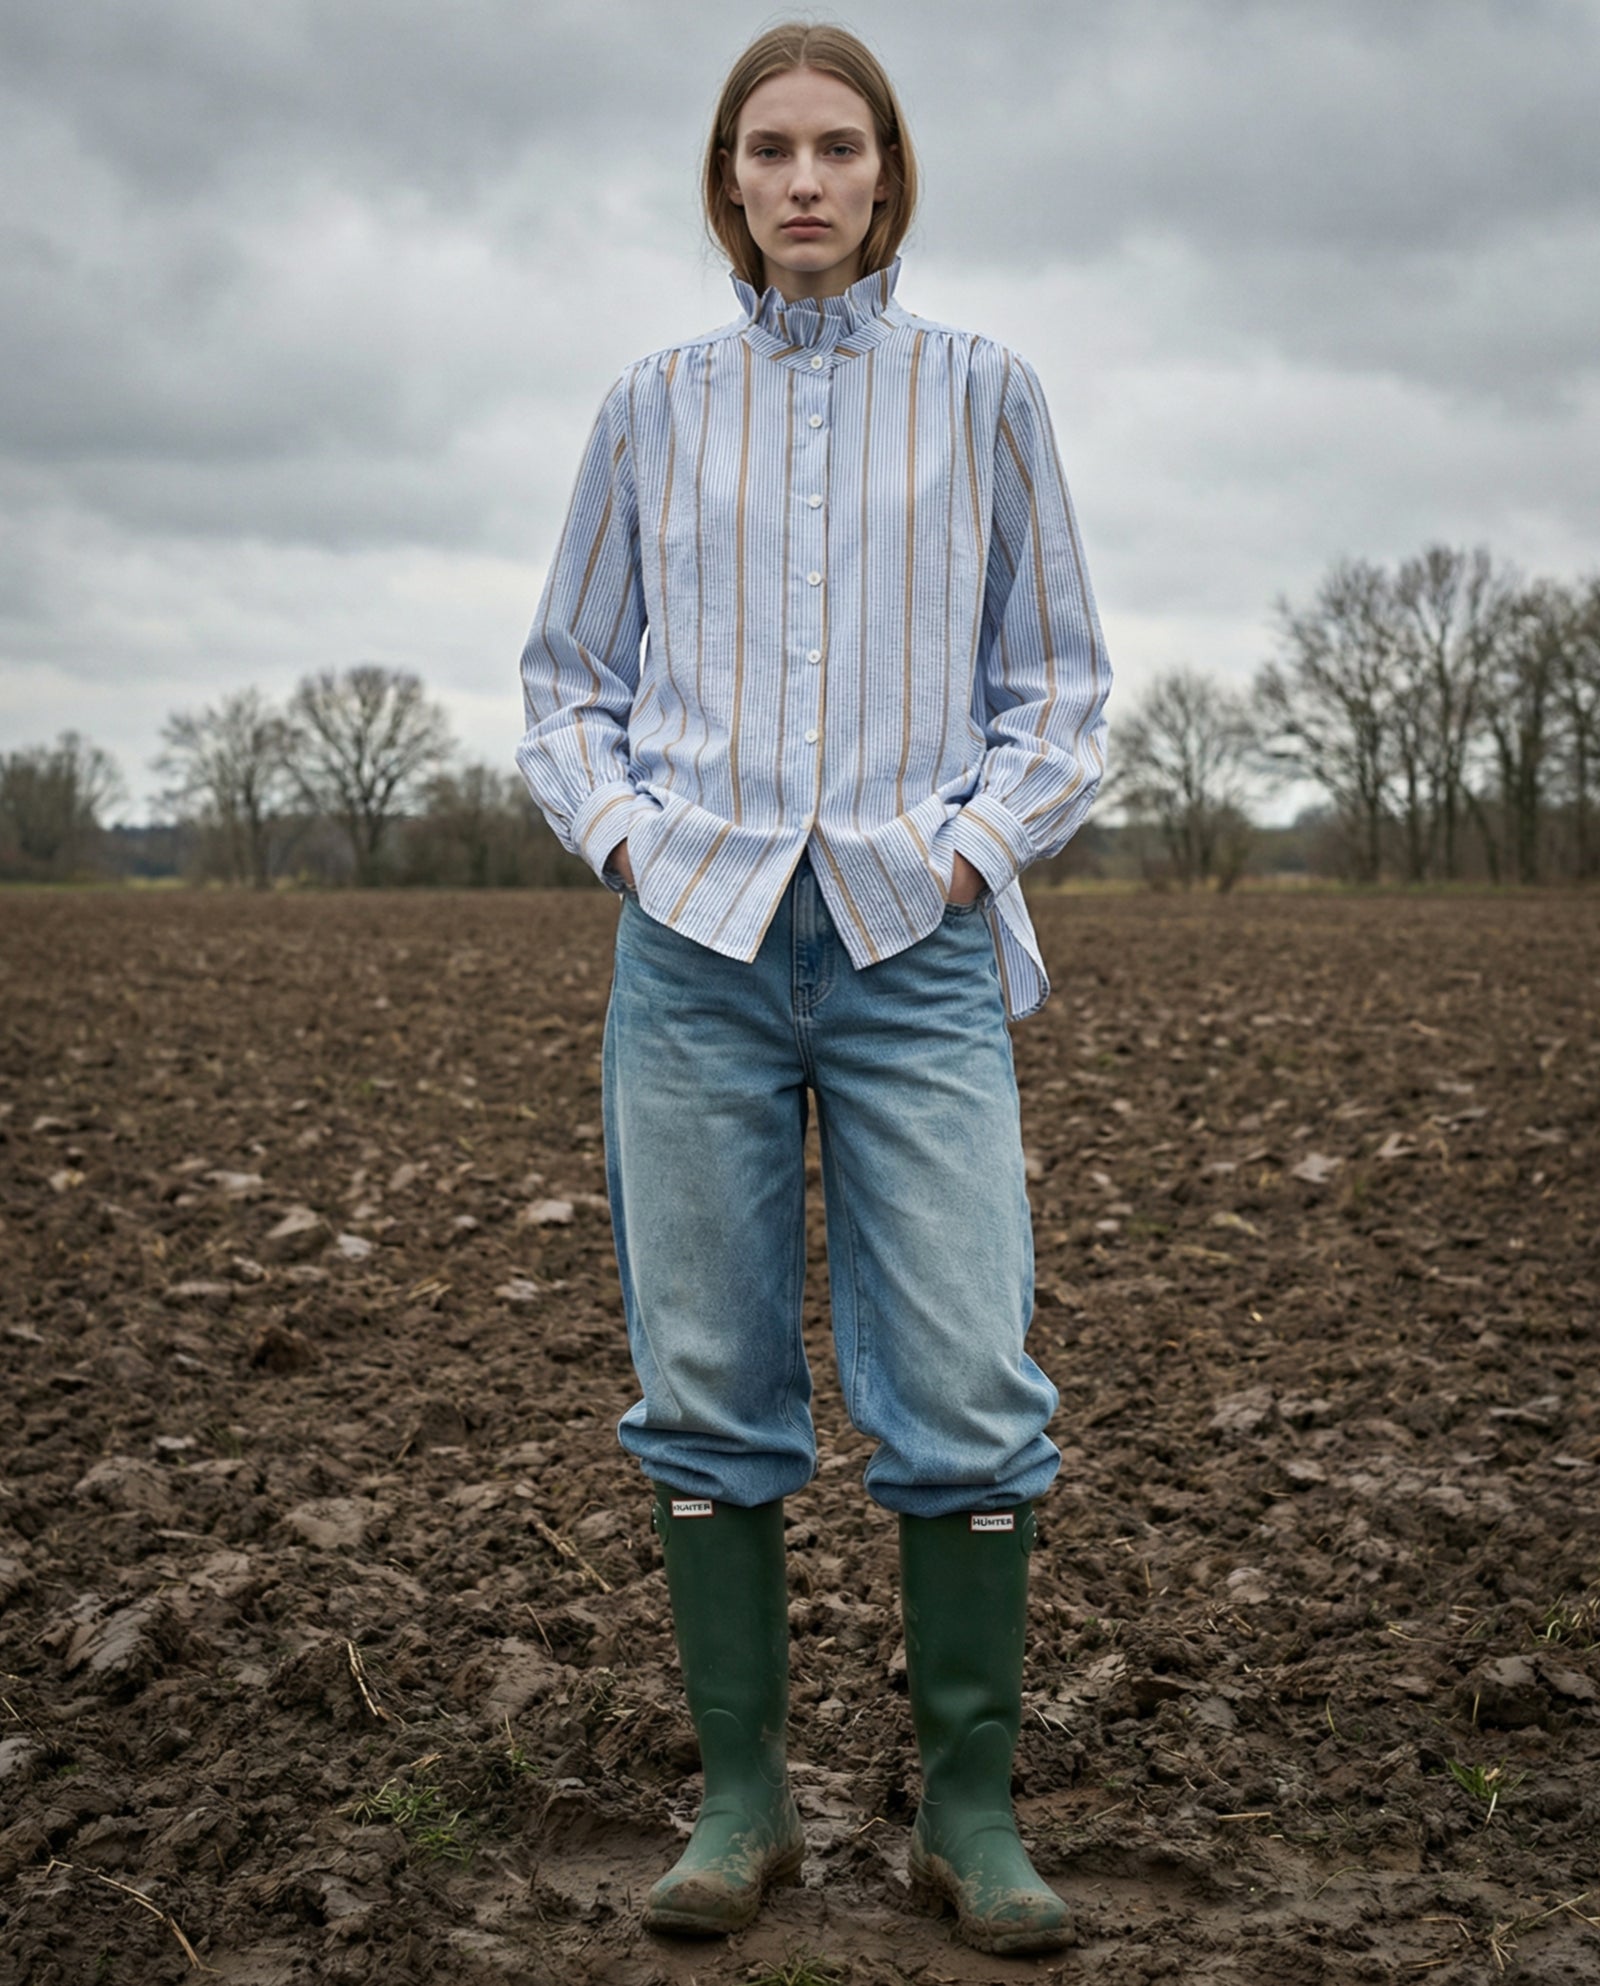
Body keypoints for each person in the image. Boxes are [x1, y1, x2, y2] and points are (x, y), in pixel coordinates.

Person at [516, 21, 1109, 1958]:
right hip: (688, 949)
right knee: (703, 1384)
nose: (800, 179)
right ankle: (741, 1808)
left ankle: (969, 1820)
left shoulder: (983, 395)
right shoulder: (647, 404)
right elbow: (562, 684)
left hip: (906, 946)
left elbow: (1059, 693)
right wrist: (622, 841)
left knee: (960, 1380)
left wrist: (956, 854)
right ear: (725, 178)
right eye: (765, 148)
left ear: (884, 174)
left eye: (834, 147)